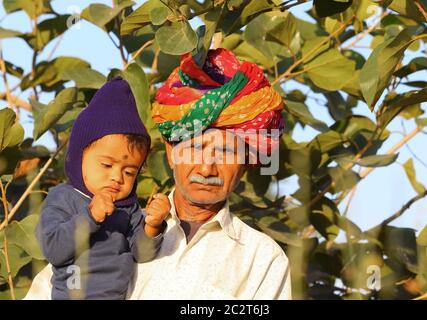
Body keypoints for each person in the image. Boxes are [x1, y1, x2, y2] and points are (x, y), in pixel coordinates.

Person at [25, 48, 291, 299]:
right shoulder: (110, 224)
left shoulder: (262, 258)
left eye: (225, 153)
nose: (207, 168)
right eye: (195, 148)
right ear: (171, 151)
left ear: (245, 162)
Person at [34, 77, 170, 299]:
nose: (117, 177)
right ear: (79, 158)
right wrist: (90, 217)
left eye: (129, 172)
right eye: (106, 165)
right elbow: (53, 249)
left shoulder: (129, 209)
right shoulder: (64, 198)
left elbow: (141, 254)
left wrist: (152, 227)